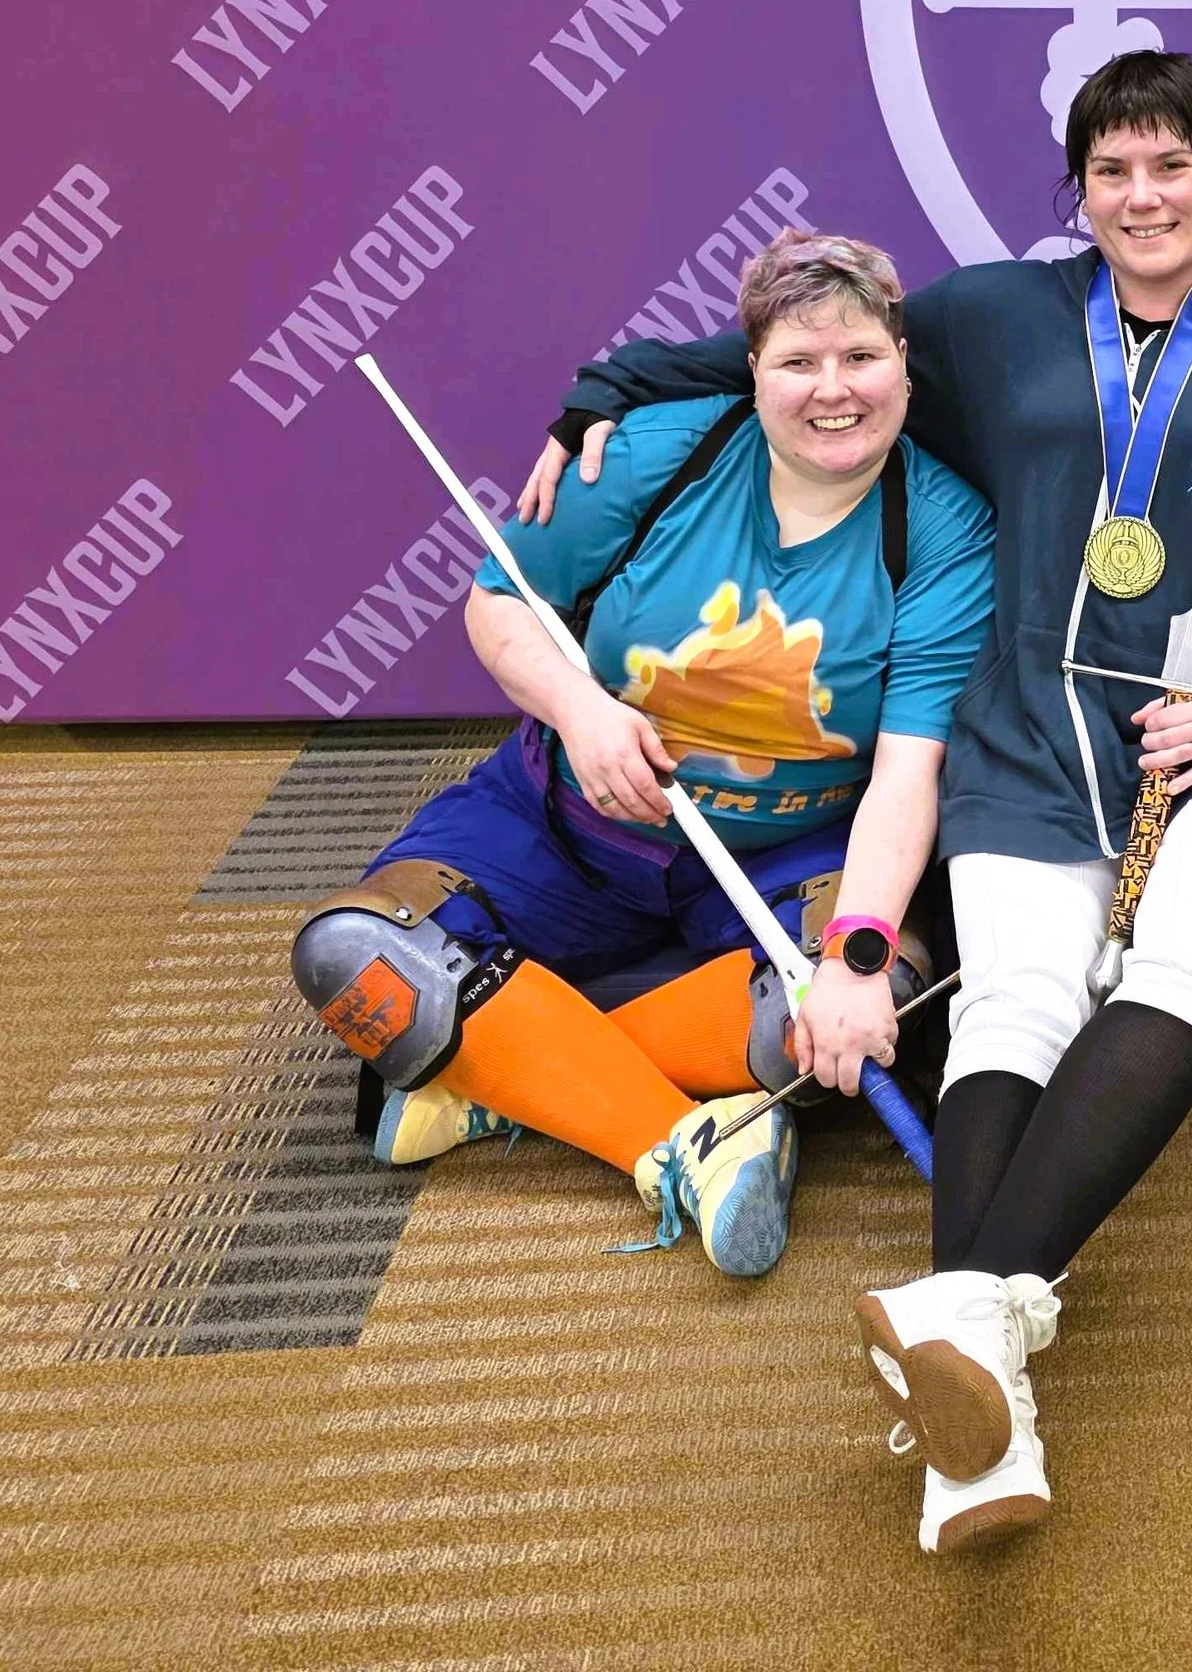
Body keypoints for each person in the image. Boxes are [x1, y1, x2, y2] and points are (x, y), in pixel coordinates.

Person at [522, 52, 1192, 1554]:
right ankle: (982, 1354)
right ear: (1080, 190)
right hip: (1025, 720)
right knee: (1015, 1000)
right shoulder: (995, 316)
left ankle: (965, 1335)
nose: (1142, 196)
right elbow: (808, 355)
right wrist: (604, 390)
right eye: (1111, 170)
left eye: (1172, 166)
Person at [292, 232, 993, 1279]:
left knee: (863, 1004)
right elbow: (497, 603)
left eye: (860, 356)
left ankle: (502, 1076)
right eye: (799, 361)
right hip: (562, 823)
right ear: (751, 369)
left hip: (786, 849)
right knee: (356, 953)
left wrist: (853, 954)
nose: (833, 389)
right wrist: (580, 710)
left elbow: (907, 768)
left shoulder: (946, 526)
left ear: (903, 360)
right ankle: (682, 1137)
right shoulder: (649, 452)